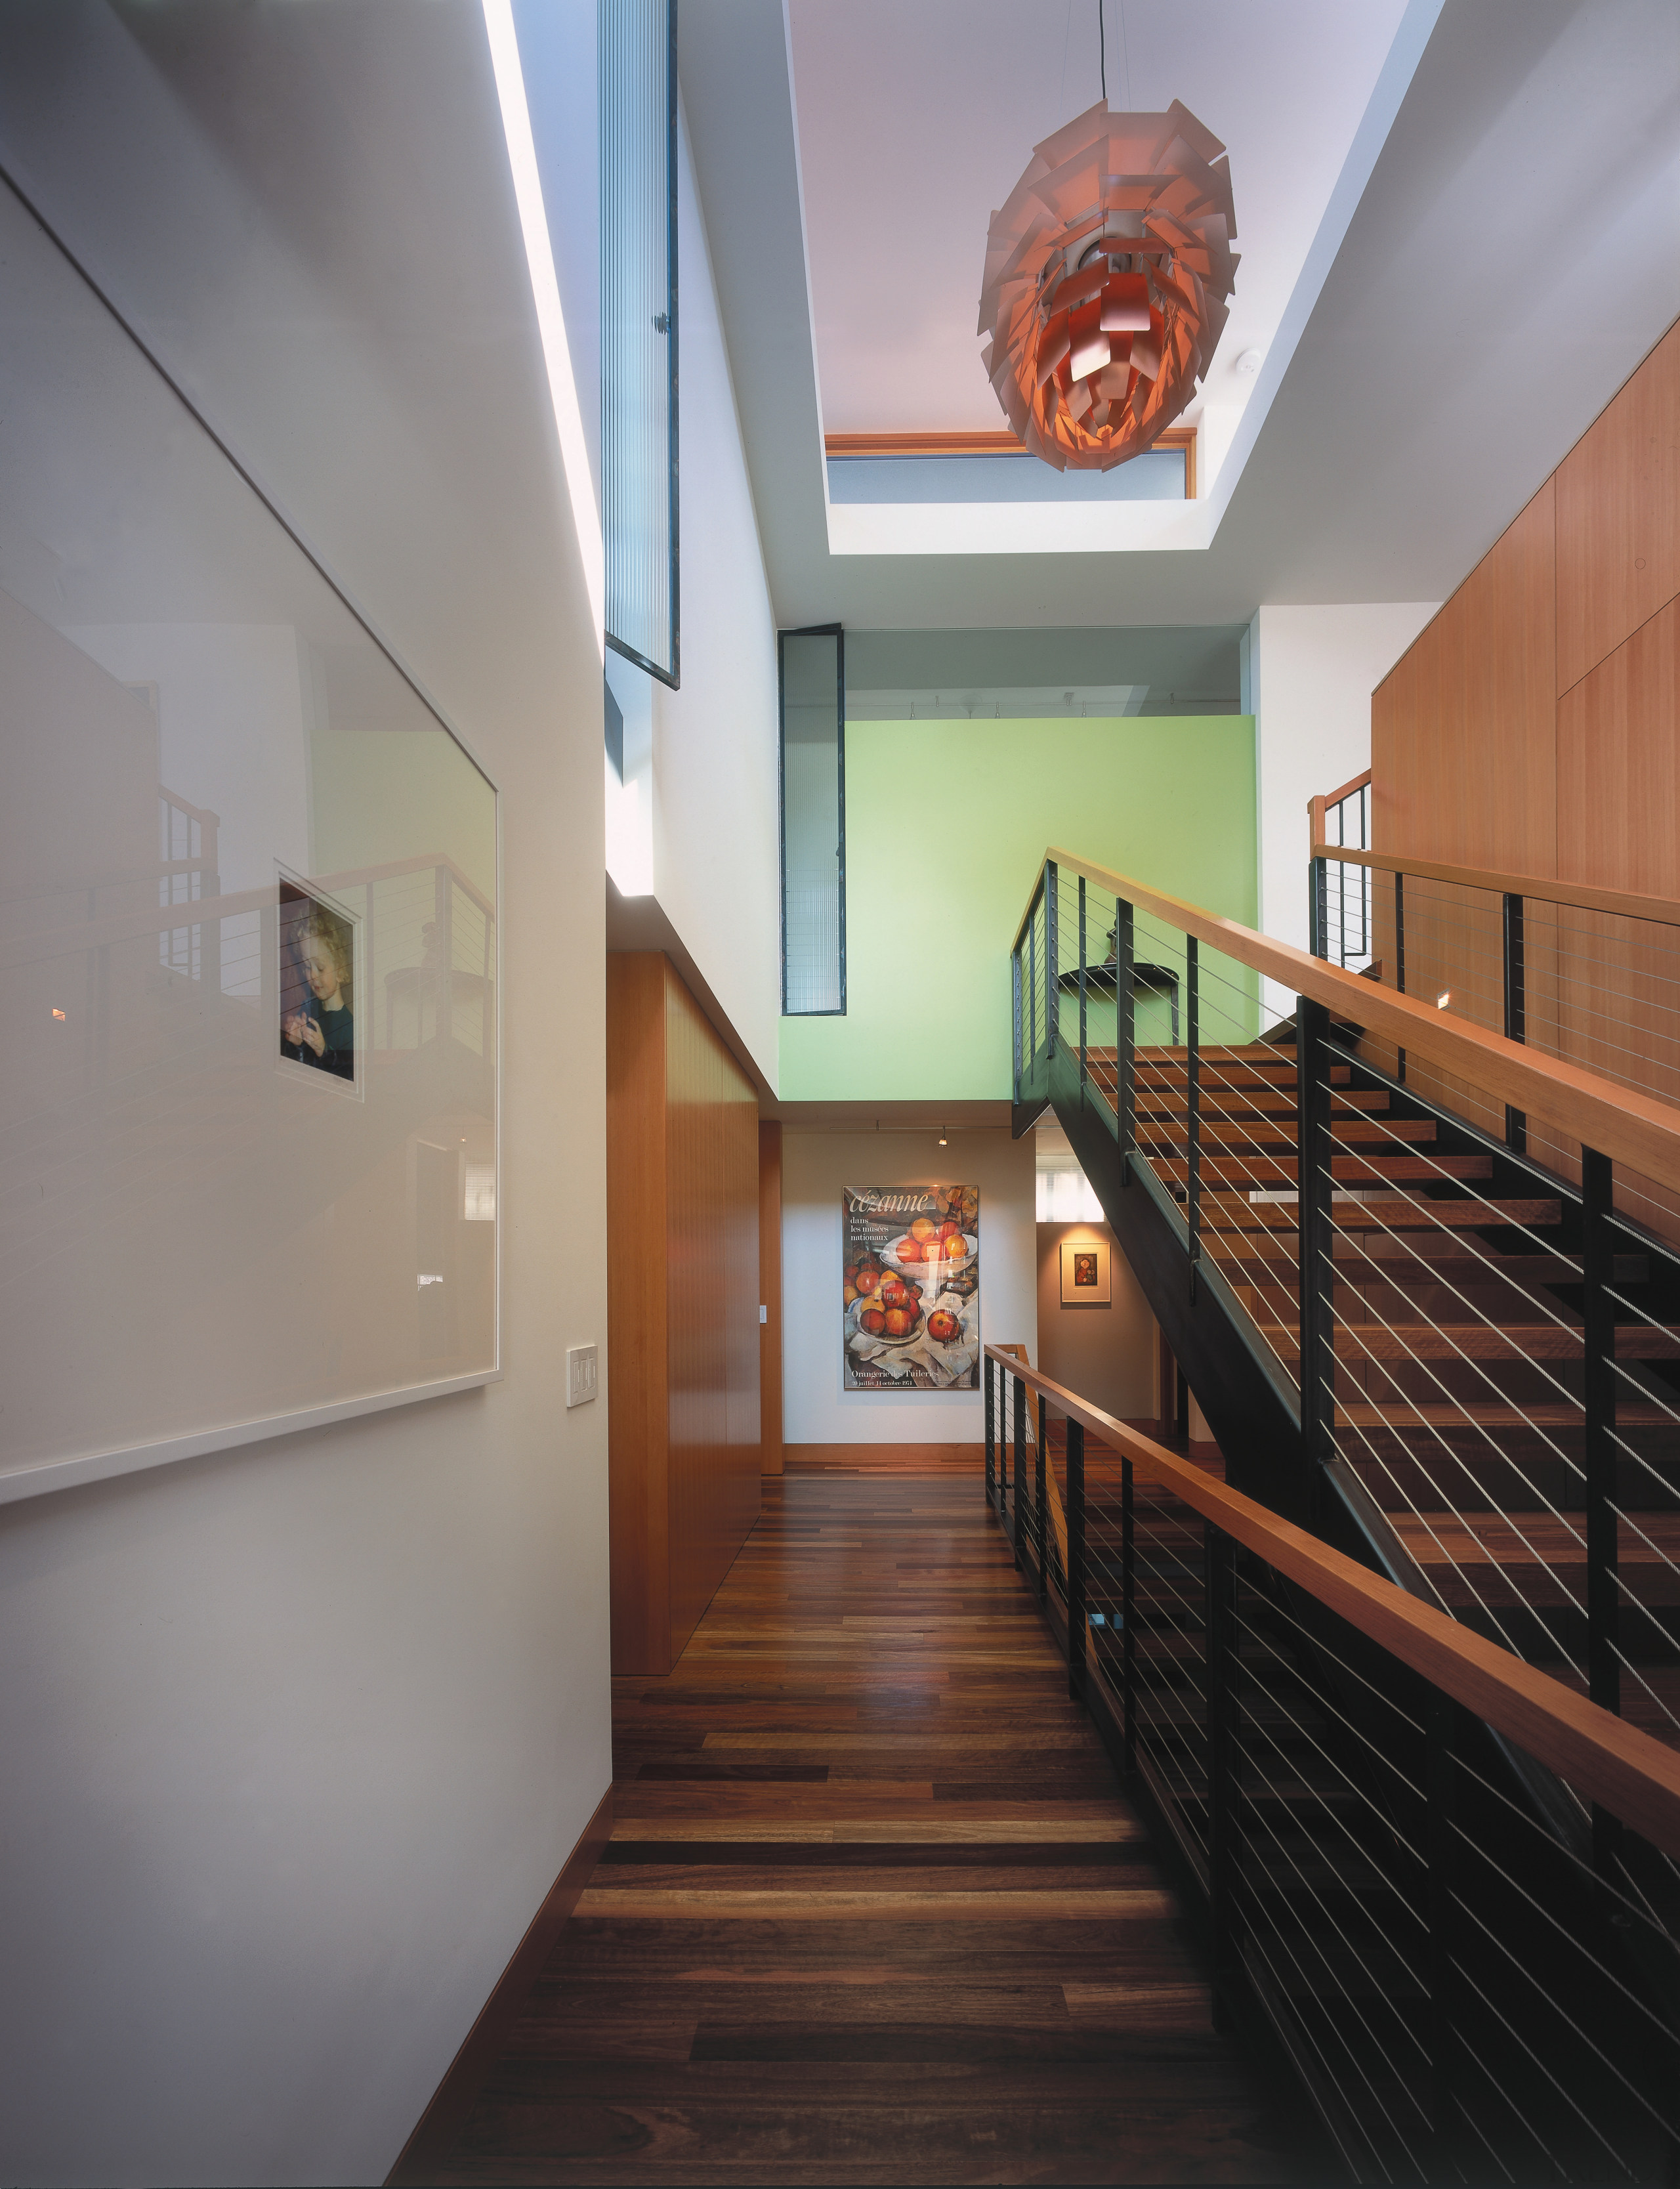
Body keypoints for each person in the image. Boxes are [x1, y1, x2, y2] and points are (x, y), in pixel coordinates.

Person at [282, 904, 354, 1080]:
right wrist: (295, 1044)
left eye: (320, 967)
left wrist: (324, 1051)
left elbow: (349, 1078)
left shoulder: (349, 1025)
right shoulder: (307, 1008)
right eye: (307, 966)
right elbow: (298, 1070)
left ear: (341, 970)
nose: (313, 975)